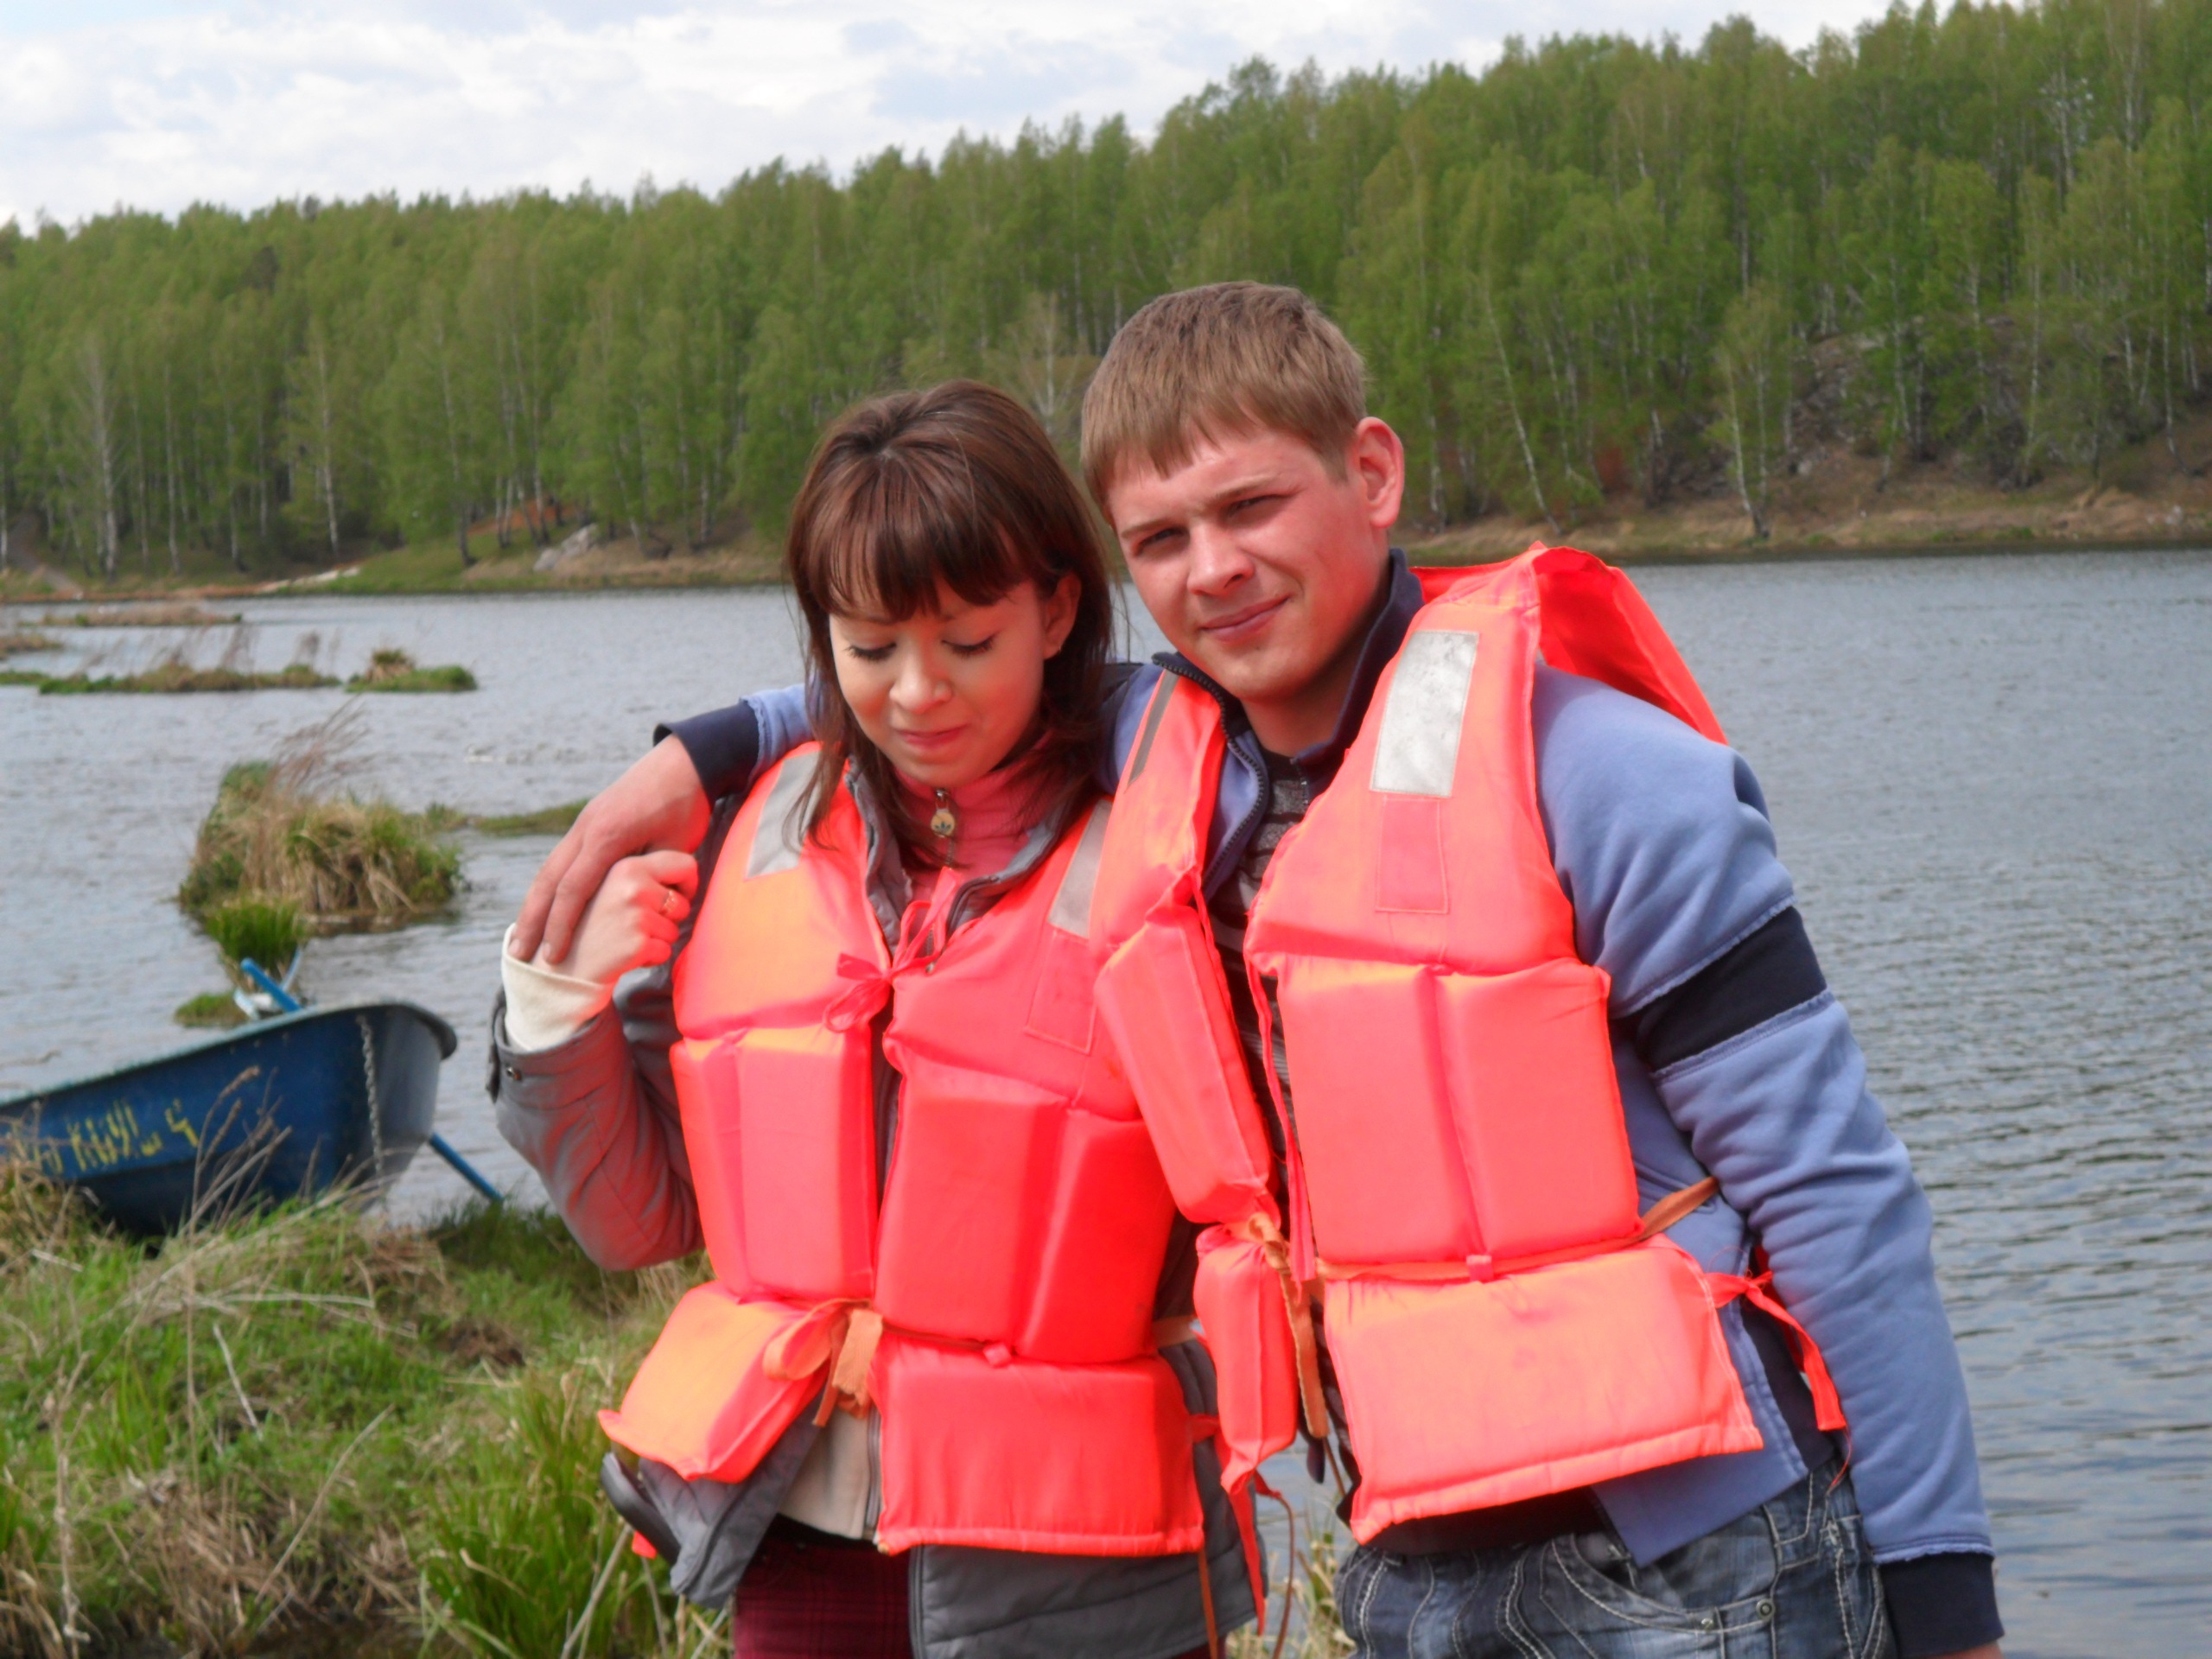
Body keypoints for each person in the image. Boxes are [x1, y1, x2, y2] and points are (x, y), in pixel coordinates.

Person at [512, 284, 2005, 1659]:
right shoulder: (1183, 765)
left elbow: (1838, 1198)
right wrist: (701, 753)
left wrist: (1947, 1605)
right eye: (1162, 539)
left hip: (1702, 1553)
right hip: (1410, 1560)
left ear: (1373, 473)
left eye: (1250, 507)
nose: (1214, 569)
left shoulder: (1609, 775)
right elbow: (933, 684)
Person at [490, 380, 1255, 1659]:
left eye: (967, 643)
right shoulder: (746, 841)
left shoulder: (1179, 840)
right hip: (800, 1544)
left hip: (1093, 1568)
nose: (917, 694)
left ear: (1058, 610)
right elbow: (634, 1222)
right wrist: (552, 1012)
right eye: (870, 648)